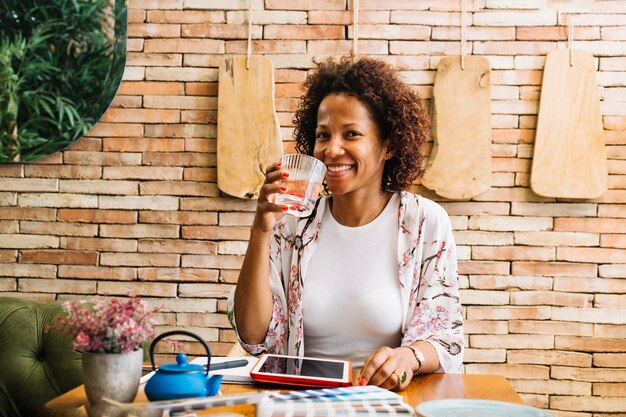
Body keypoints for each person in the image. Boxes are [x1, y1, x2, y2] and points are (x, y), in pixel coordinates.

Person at [228, 56, 463, 391]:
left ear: (389, 145)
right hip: (299, 401)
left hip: (386, 402)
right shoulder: (293, 224)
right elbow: (253, 337)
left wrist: (409, 356)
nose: (331, 149)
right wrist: (260, 230)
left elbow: (445, 338)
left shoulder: (424, 222)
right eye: (323, 135)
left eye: (351, 134)